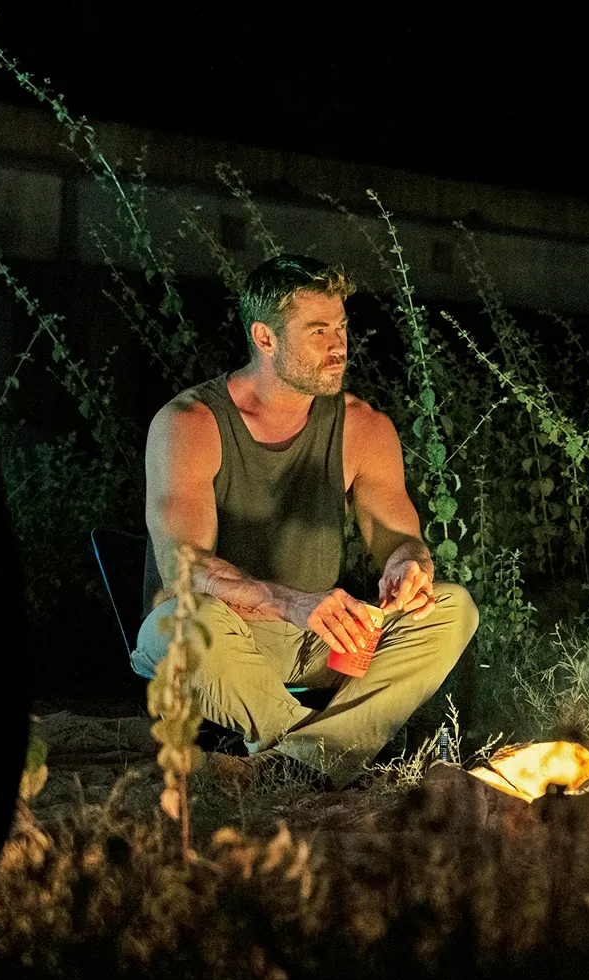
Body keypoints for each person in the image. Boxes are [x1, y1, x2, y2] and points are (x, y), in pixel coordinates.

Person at [133, 255, 478, 785]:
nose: (339, 346)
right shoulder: (189, 423)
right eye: (318, 332)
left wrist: (408, 568)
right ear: (265, 338)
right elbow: (186, 567)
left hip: (319, 641)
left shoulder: (364, 427)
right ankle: (328, 753)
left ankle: (300, 762)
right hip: (224, 635)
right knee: (181, 625)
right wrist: (290, 602)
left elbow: (401, 539)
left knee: (451, 608)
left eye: (341, 328)